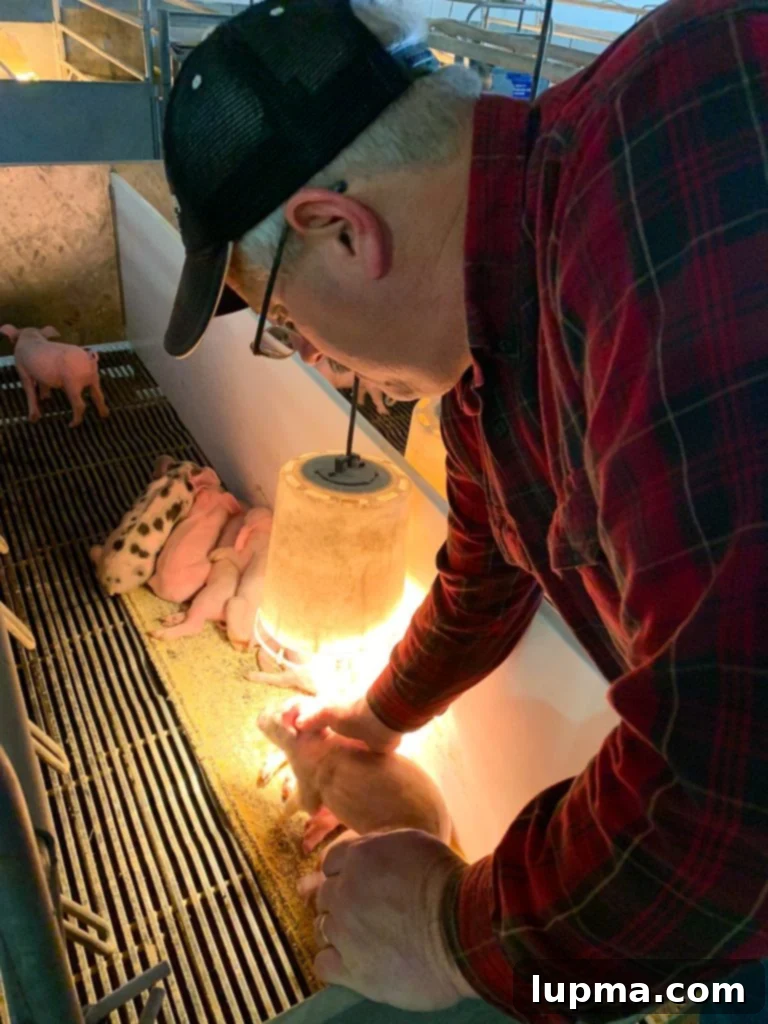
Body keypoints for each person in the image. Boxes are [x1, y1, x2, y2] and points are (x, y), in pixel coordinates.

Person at [161, 0, 768, 1017]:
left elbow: (732, 777)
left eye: (290, 325)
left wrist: (449, 928)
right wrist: (376, 714)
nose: (316, 358)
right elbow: (485, 568)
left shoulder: (669, 166)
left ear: (341, 231)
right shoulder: (508, 326)